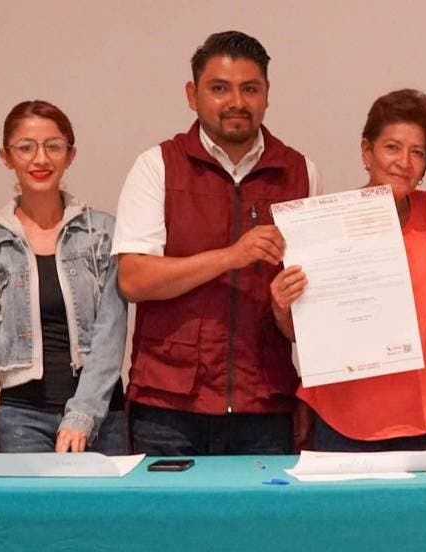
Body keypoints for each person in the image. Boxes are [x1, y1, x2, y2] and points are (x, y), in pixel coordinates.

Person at [113, 31, 321, 455]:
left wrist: (308, 386)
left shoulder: (300, 172)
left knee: (266, 505)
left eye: (250, 89)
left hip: (265, 403)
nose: (236, 102)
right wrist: (231, 257)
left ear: (267, 94)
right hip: (168, 406)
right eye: (220, 88)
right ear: (192, 95)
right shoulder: (157, 166)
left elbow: (313, 308)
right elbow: (133, 279)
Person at [0, 100, 127, 455]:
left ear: (71, 154)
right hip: (23, 419)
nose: (40, 159)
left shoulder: (101, 234)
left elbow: (110, 334)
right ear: (6, 157)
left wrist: (83, 414)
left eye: (53, 146)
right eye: (25, 147)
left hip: (103, 415)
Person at [269, 89, 426, 451]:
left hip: (425, 413)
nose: (404, 162)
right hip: (345, 414)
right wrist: (281, 304)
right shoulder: (321, 224)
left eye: (417, 152)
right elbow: (300, 333)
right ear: (367, 152)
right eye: (392, 147)